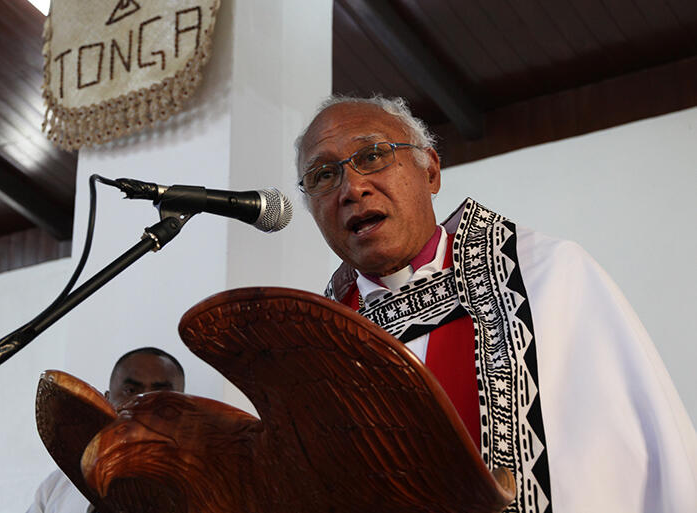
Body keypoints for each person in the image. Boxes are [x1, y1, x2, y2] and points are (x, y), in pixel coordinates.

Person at [295, 95, 697, 513]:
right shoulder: (316, 344)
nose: (352, 188)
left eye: (373, 155)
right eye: (323, 176)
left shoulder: (547, 277)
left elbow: (646, 463)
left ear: (430, 170)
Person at [26, 347, 186, 513]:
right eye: (131, 390)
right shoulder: (58, 485)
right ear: (107, 400)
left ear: (184, 408)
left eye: (161, 393)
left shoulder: (203, 484)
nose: (145, 401)